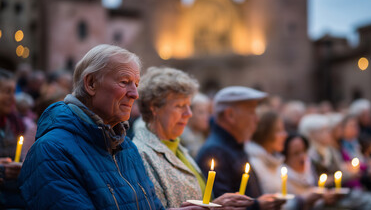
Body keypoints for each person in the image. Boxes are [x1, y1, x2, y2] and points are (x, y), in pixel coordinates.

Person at [18, 45, 204, 210]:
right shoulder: (51, 151)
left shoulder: (127, 147)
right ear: (91, 83)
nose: (135, 94)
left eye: (136, 85)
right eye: (124, 82)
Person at [133, 67, 253, 209]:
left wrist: (219, 205)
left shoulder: (179, 149)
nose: (189, 114)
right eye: (180, 106)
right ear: (154, 107)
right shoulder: (140, 154)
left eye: (189, 106)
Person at [196, 86, 286, 210]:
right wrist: (258, 206)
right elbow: (221, 204)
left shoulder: (234, 145)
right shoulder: (215, 151)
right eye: (251, 112)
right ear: (230, 115)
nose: (257, 119)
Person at [0, 68, 25, 208]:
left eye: (13, 92)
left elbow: (17, 157)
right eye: (7, 92)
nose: (12, 98)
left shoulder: (11, 124)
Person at [181, 92, 211, 158]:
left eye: (208, 112)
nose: (206, 117)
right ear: (189, 113)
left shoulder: (201, 136)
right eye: (201, 112)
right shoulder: (181, 139)